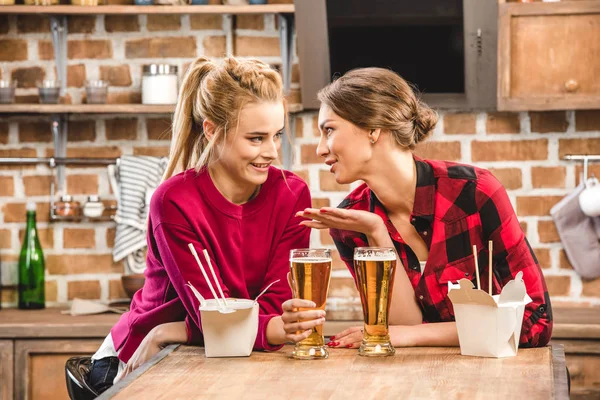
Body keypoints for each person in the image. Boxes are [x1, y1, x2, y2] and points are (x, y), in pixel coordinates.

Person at [85, 56, 325, 395]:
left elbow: (274, 304)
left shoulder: (291, 193)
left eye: (276, 135)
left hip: (208, 348)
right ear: (212, 130)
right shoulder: (174, 202)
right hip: (140, 358)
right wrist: (165, 333)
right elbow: (215, 315)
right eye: (256, 138)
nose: (272, 151)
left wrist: (173, 329)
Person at [297, 67, 553, 349]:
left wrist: (412, 335)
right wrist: (377, 233)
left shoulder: (474, 193)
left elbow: (534, 323)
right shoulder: (353, 224)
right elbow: (402, 328)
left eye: (329, 130)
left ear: (372, 128)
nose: (320, 149)